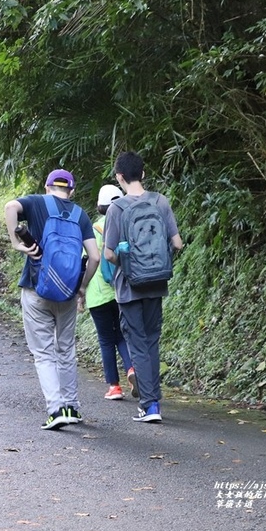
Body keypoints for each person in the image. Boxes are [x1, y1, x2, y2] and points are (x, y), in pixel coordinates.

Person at [4, 169, 100, 430]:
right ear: (72, 190)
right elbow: (94, 258)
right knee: (66, 349)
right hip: (67, 293)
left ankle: (55, 409)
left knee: (44, 353)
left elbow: (10, 206)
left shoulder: (36, 202)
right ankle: (72, 406)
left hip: (36, 288)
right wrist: (82, 287)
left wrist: (15, 241)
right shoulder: (81, 215)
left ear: (47, 187)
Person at [103, 151, 183, 424]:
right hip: (157, 283)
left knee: (137, 343)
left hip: (129, 286)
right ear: (144, 174)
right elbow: (178, 243)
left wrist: (127, 256)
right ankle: (154, 402)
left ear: (119, 178)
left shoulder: (117, 208)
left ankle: (150, 406)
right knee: (151, 342)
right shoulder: (160, 202)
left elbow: (109, 254)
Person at [84, 184, 134, 400]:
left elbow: (87, 259)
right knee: (122, 334)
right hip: (122, 289)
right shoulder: (127, 224)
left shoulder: (94, 228)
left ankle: (114, 387)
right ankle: (132, 369)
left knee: (106, 339)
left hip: (97, 293)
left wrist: (81, 288)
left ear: (99, 206)